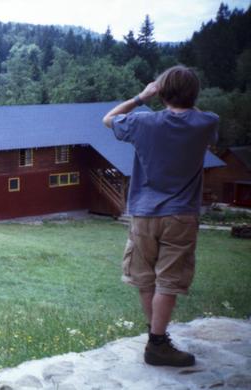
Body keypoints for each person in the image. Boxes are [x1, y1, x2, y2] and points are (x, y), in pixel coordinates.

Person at [103, 65, 219, 367]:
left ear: (162, 92)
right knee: (168, 280)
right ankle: (157, 342)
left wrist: (142, 96)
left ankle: (156, 340)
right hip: (182, 215)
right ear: (194, 94)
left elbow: (108, 119)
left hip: (143, 213)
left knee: (145, 277)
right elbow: (199, 117)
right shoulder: (206, 122)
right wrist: (185, 98)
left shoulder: (143, 123)